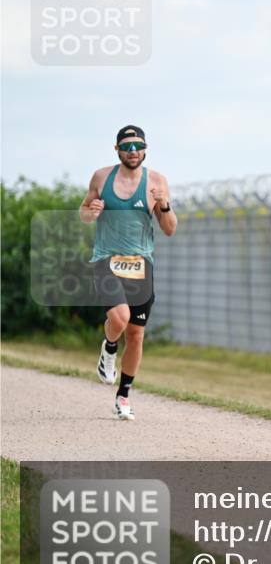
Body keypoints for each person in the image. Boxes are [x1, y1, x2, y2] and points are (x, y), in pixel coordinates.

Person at [79, 125, 177, 420]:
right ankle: (109, 348)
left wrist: (164, 205)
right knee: (119, 318)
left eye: (137, 146)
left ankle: (123, 396)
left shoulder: (157, 181)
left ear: (145, 149)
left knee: (135, 334)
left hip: (140, 264)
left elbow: (170, 229)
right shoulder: (101, 177)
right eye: (126, 146)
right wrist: (91, 212)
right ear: (117, 149)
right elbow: (84, 212)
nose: (132, 151)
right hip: (106, 259)